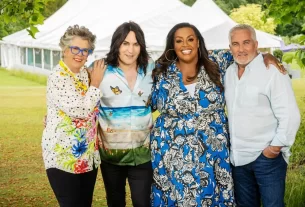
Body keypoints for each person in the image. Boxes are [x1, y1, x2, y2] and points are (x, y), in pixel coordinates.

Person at [149, 22, 284, 207]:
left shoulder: (217, 62)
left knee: (212, 197)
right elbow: (147, 104)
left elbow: (244, 52)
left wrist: (265, 55)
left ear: (198, 42)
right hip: (172, 152)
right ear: (173, 45)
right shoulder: (162, 71)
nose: (185, 45)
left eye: (190, 39)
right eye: (179, 41)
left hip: (212, 152)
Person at [224, 24, 301, 207]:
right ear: (230, 48)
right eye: (235, 44)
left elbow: (290, 115)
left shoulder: (272, 71)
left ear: (256, 44)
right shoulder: (228, 73)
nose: (241, 49)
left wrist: (273, 150)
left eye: (246, 42)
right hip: (238, 160)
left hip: (266, 160)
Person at [41, 25, 106, 207]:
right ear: (64, 48)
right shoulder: (58, 76)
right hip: (63, 157)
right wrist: (96, 84)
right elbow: (81, 111)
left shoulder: (85, 74)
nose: (80, 54)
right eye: (75, 48)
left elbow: (92, 110)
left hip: (87, 156)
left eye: (85, 50)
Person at [95, 21, 154, 207]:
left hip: (143, 154)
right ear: (117, 44)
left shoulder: (152, 70)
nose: (131, 50)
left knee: (143, 203)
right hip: (111, 156)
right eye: (125, 43)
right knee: (115, 202)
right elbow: (82, 98)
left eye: (136, 44)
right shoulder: (100, 69)